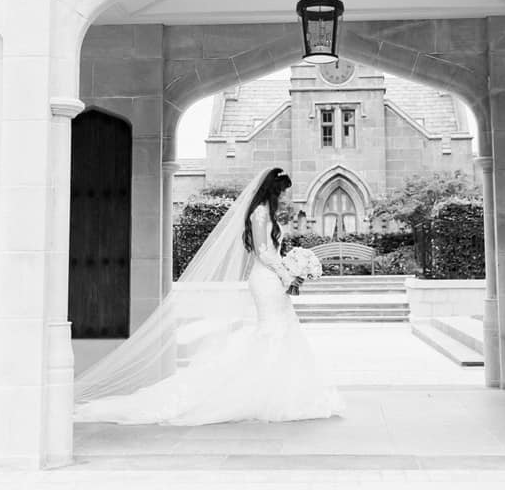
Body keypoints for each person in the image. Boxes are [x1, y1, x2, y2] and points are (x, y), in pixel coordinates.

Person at [72, 167, 344, 425]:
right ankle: (262, 393)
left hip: (273, 278)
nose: (287, 197)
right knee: (272, 331)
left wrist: (291, 267)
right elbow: (263, 251)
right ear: (274, 191)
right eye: (284, 191)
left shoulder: (268, 213)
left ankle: (280, 390)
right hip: (267, 279)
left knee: (281, 330)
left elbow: (270, 249)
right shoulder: (260, 212)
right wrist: (287, 271)